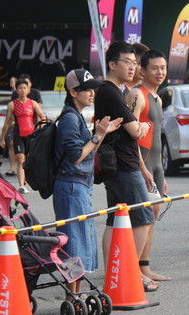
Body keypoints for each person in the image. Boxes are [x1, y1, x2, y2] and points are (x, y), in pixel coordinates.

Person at [94, 41, 157, 292]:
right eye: (127, 62)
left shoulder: (114, 90)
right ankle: (131, 272)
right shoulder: (110, 91)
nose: (133, 67)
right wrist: (145, 127)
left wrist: (141, 128)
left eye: (134, 63)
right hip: (123, 164)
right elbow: (135, 130)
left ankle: (114, 273)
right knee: (142, 217)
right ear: (112, 64)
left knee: (114, 218)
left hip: (115, 163)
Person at [54, 68, 122, 279]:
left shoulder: (76, 116)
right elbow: (76, 156)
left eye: (93, 89)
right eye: (87, 89)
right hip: (71, 185)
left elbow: (86, 150)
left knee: (80, 238)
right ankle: (71, 294)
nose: (92, 94)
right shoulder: (69, 119)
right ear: (73, 92)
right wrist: (98, 135)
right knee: (73, 240)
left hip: (78, 185)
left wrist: (102, 133)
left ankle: (76, 291)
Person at [126, 49, 171, 282]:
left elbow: (156, 136)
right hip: (141, 162)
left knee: (152, 215)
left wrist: (161, 173)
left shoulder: (158, 97)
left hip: (156, 163)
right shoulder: (137, 94)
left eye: (163, 68)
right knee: (142, 217)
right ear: (142, 70)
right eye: (154, 68)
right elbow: (130, 134)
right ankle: (132, 271)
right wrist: (141, 166)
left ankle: (144, 266)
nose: (159, 72)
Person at [0, 79, 46, 194]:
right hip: (18, 135)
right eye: (20, 88)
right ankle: (21, 185)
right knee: (20, 160)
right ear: (16, 90)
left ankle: (27, 179)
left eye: (25, 88)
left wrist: (39, 129)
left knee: (30, 161)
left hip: (31, 135)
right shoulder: (12, 104)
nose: (23, 90)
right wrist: (2, 138)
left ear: (28, 89)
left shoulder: (33, 103)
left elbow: (43, 117)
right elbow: (7, 122)